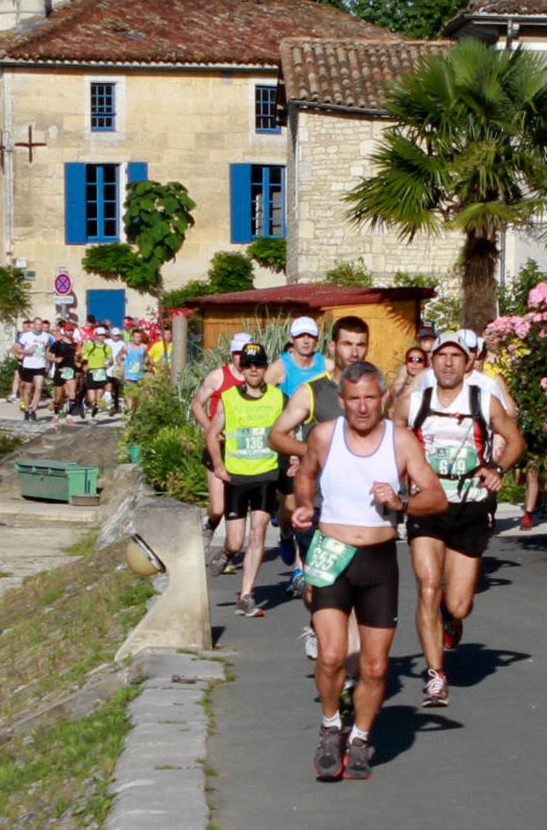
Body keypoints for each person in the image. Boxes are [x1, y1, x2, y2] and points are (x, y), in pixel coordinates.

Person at [287, 360, 446, 782]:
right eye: (354, 399)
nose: (362, 408)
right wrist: (304, 505)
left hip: (378, 562)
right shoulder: (325, 435)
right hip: (331, 555)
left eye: (370, 399)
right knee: (332, 654)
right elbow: (305, 476)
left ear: (383, 399)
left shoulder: (401, 441)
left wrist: (401, 503)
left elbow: (436, 497)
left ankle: (359, 738)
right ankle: (329, 727)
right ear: (341, 401)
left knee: (375, 667)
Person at [401, 331, 525, 707]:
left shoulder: (483, 401)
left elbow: (516, 440)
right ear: (431, 360)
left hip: (471, 506)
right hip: (428, 504)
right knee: (427, 585)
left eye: (457, 356)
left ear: (469, 362)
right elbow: (391, 439)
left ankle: (449, 619)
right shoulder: (414, 402)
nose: (449, 362)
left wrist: (498, 467)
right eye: (442, 356)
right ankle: (436, 676)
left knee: (458, 604)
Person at [270, 316, 376, 659]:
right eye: (347, 344)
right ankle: (318, 624)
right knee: (317, 591)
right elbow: (278, 435)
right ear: (332, 347)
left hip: (361, 509)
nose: (355, 351)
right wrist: (312, 453)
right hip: (318, 504)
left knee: (354, 590)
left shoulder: (374, 393)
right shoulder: (313, 390)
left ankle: (348, 669)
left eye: (361, 344)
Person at [206, 342, 285, 617]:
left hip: (266, 474)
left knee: (258, 532)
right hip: (237, 477)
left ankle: (246, 595)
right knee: (236, 541)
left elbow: (290, 430)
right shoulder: (229, 397)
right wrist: (218, 464)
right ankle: (226, 553)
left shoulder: (278, 397)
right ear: (242, 367)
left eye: (258, 365)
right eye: (248, 364)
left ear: (265, 368)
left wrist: (295, 457)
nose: (253, 370)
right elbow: (212, 433)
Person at [195, 332, 259, 542]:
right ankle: (210, 524)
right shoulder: (218, 376)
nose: (241, 358)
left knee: (239, 505)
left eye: (245, 353)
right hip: (219, 447)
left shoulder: (258, 379)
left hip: (245, 447)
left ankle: (229, 549)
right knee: (218, 507)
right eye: (237, 353)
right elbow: (197, 404)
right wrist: (211, 428)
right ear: (231, 354)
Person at [268, 316, 336, 392]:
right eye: (300, 336)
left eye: (310, 336)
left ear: (317, 339)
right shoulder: (279, 368)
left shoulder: (328, 366)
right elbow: (260, 397)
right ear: (291, 338)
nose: (306, 341)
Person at [14, 319, 53, 420]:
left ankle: (34, 409)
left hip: (40, 365)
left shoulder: (46, 336)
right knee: (28, 389)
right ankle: (27, 409)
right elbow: (16, 348)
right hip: (28, 365)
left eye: (41, 325)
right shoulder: (26, 335)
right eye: (37, 324)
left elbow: (48, 349)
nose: (39, 326)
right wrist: (26, 351)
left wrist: (47, 361)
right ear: (33, 325)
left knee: (39, 387)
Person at [116, 329, 146, 414]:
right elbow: (118, 356)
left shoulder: (143, 347)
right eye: (136, 337)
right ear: (132, 338)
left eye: (139, 337)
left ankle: (136, 410)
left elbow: (146, 357)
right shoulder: (126, 347)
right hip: (129, 374)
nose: (138, 339)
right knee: (130, 394)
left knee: (138, 394)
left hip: (140, 374)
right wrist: (121, 363)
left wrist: (146, 364)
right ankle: (130, 411)